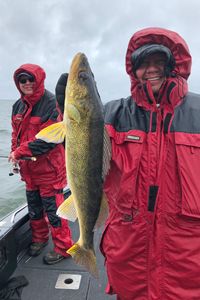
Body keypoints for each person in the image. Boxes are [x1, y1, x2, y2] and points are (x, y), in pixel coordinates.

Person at [55, 27, 200, 299]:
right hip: (128, 254)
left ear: (174, 65)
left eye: (159, 61)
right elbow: (82, 154)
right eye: (144, 63)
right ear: (134, 71)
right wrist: (66, 116)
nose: (152, 69)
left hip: (187, 262)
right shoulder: (110, 114)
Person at [8, 63, 74, 265]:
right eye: (22, 80)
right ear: (18, 83)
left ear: (38, 80)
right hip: (29, 172)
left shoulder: (52, 103)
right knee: (34, 208)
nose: (27, 83)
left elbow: (49, 139)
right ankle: (39, 239)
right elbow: (16, 135)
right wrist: (15, 154)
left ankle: (64, 248)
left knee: (55, 212)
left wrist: (19, 151)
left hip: (50, 172)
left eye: (30, 79)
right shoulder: (17, 106)